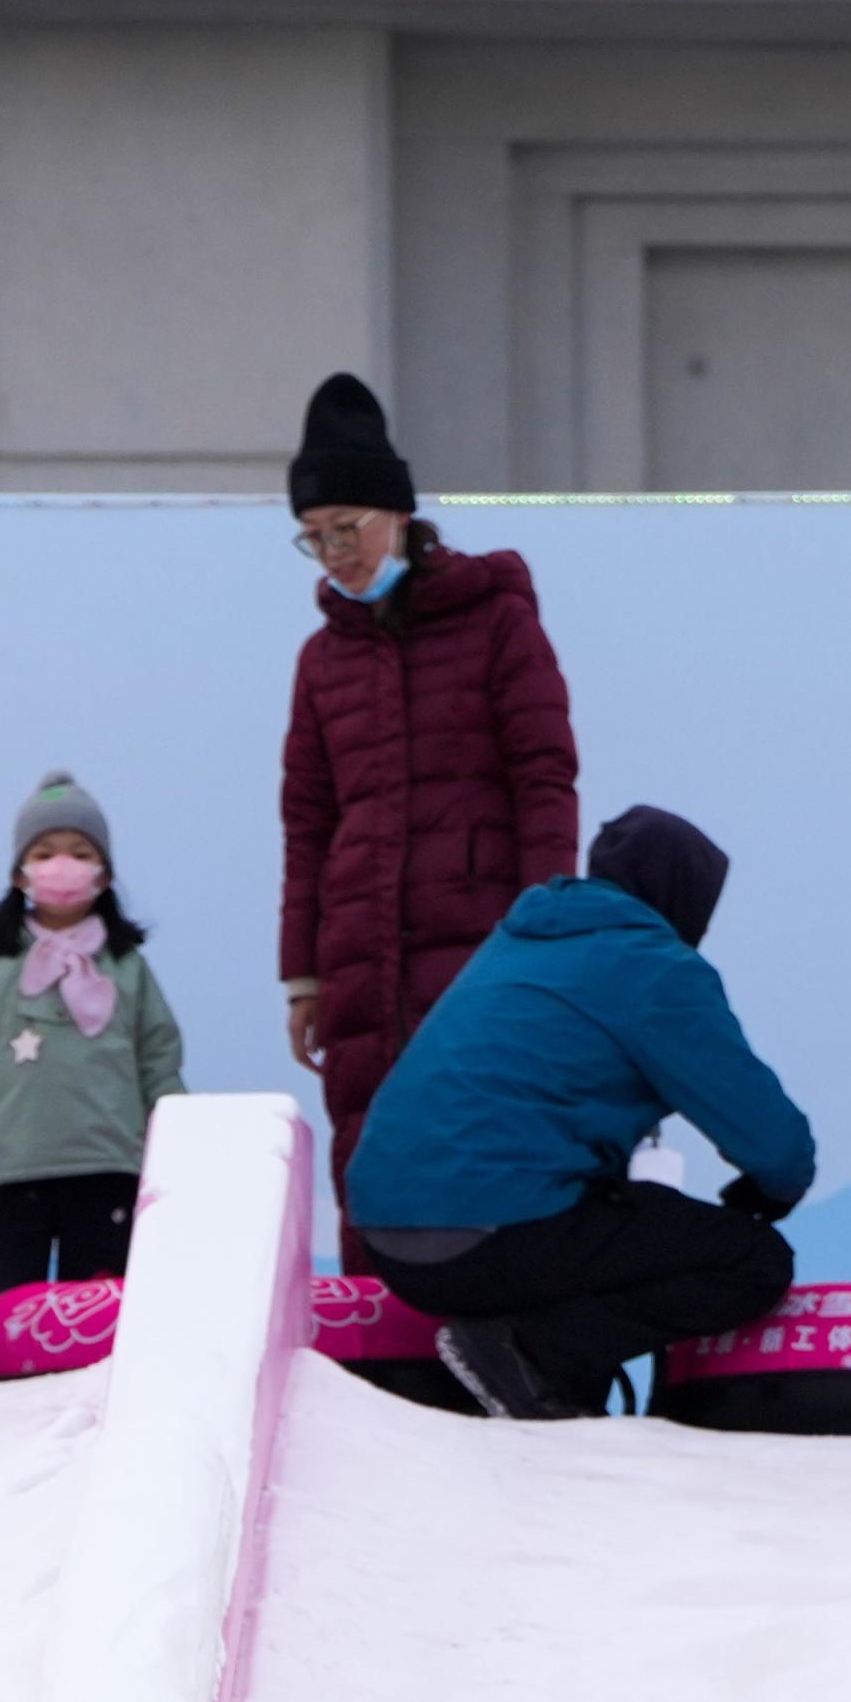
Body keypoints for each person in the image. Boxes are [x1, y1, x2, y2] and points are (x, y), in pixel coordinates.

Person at [344, 808, 807, 1421]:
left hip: (386, 1232)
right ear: (684, 895)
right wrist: (771, 1190)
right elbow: (775, 1144)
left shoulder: (519, 942)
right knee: (750, 1260)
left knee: (613, 1217)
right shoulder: (653, 967)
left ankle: (537, 1375)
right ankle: (530, 1354)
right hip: (483, 1234)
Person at [274, 373, 580, 1207]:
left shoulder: (497, 622)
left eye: (348, 528)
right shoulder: (322, 659)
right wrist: (303, 974)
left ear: (399, 515)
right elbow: (308, 823)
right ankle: (385, 1339)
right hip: (358, 962)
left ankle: (487, 1341)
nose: (336, 553)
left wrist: (544, 933)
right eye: (313, 536)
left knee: (480, 1152)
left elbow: (544, 779)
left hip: (481, 948)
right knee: (370, 1165)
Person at [0, 772, 186, 1294]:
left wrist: (179, 1150)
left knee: (95, 1317)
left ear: (104, 876)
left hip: (108, 1169)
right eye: (44, 853)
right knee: (13, 1313)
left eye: (80, 852)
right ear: (20, 874)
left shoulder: (130, 973)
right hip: (9, 1178)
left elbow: (160, 1063)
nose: (61, 864)